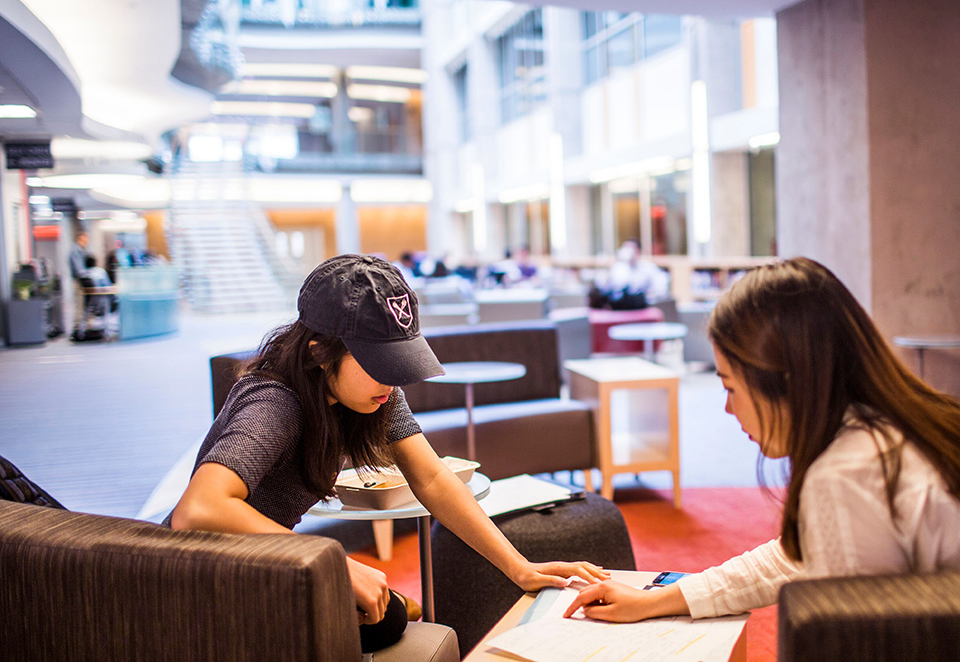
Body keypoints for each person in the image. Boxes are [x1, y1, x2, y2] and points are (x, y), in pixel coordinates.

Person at [167, 254, 607, 652]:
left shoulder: (372, 395)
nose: (393, 381)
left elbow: (432, 478)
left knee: (386, 613)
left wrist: (519, 567)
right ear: (320, 352)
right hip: (201, 583)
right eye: (379, 364)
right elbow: (199, 508)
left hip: (264, 567)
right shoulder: (274, 402)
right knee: (386, 615)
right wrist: (329, 562)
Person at [565, 256, 960, 623]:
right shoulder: (895, 425)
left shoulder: (845, 473)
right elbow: (799, 554)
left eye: (731, 387)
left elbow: (852, 642)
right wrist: (661, 598)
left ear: (785, 382)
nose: (727, 409)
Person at [590, 239, 670, 309]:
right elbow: (605, 288)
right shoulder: (618, 267)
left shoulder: (648, 268)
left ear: (638, 251)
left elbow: (660, 289)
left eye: (630, 249)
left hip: (640, 305)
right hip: (618, 306)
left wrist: (649, 297)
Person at [68, 230, 91, 335]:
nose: (87, 240)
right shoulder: (76, 250)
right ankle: (77, 328)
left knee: (83, 304)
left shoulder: (81, 250)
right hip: (79, 281)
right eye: (86, 237)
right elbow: (79, 270)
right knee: (80, 304)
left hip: (82, 280)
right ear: (80, 237)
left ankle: (83, 326)